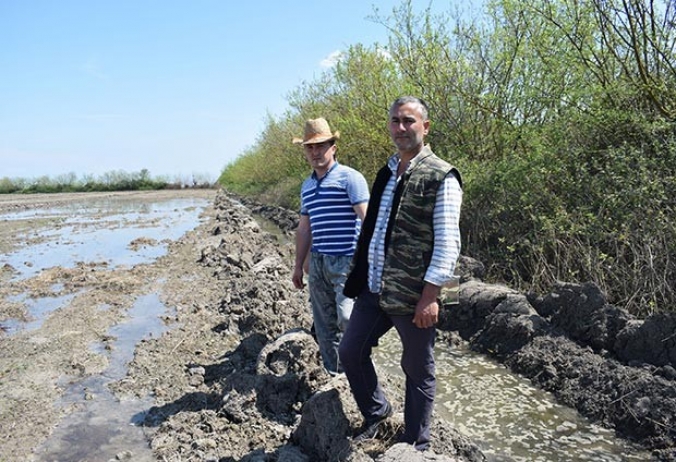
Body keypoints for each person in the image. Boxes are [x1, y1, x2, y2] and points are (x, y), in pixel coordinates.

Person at [339, 96, 463, 450]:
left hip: (414, 294)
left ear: (425, 127)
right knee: (350, 351)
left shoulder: (442, 175)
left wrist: (431, 297)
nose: (401, 128)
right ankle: (377, 413)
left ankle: (416, 445)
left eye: (409, 121)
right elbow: (374, 230)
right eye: (395, 121)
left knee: (418, 368)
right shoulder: (386, 172)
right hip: (375, 288)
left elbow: (449, 242)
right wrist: (359, 278)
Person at [291, 118, 369, 375]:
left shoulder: (350, 178)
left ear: (333, 147)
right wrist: (298, 266)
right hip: (318, 262)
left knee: (348, 318)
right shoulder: (307, 186)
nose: (315, 152)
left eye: (321, 146)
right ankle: (336, 377)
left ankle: (361, 370)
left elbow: (367, 220)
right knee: (324, 326)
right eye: (310, 148)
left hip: (347, 261)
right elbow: (304, 228)